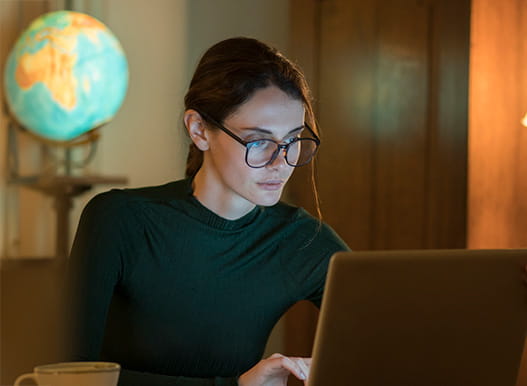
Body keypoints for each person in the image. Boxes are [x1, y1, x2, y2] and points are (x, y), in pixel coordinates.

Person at [68, 37, 350, 386]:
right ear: (200, 130)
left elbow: (394, 335)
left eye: (292, 140)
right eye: (259, 141)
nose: (281, 162)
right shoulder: (120, 220)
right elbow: (70, 375)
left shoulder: (304, 242)